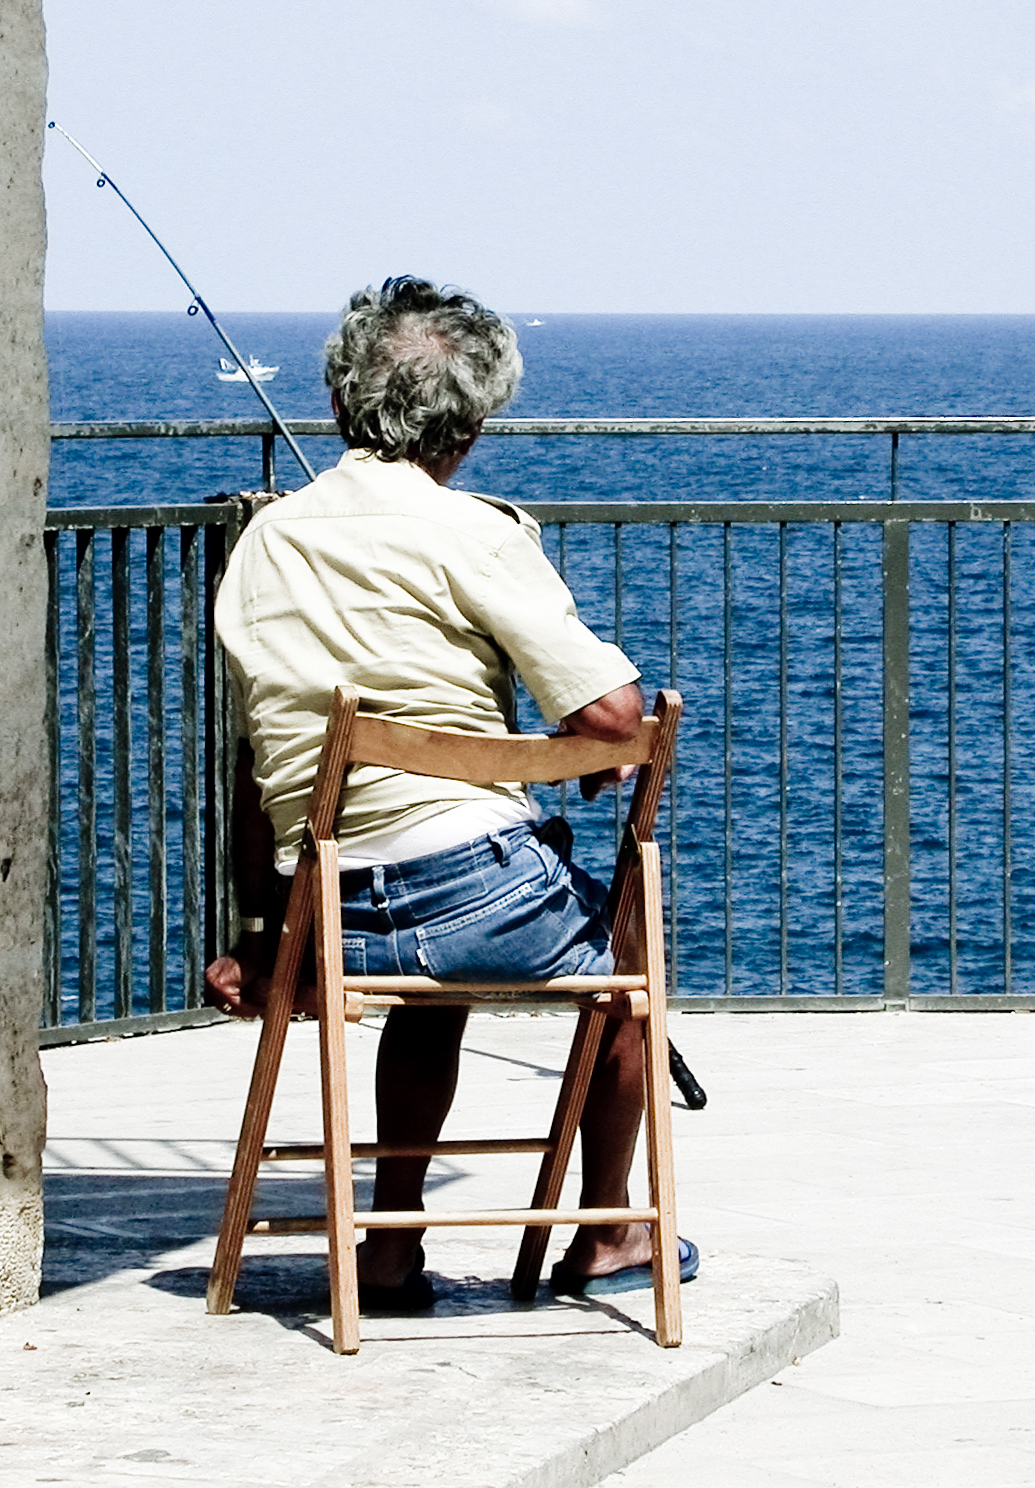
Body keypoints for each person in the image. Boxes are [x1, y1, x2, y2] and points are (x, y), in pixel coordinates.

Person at [203, 275, 696, 1309]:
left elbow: (262, 777)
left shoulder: (259, 546)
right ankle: (607, 1231)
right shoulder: (470, 530)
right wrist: (571, 746)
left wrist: (258, 936)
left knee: (430, 996)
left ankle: (387, 1249)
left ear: (339, 405)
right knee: (628, 957)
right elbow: (614, 715)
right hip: (476, 891)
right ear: (467, 427)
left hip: (324, 913)